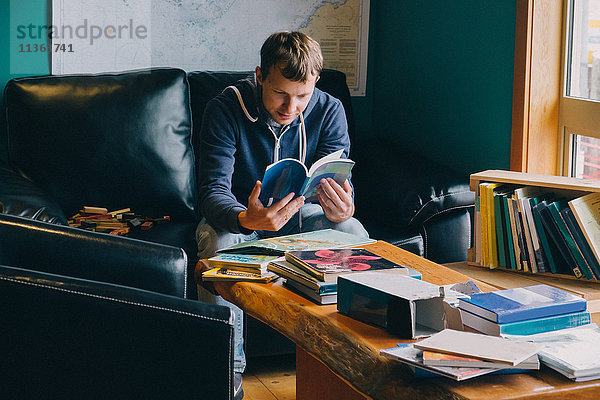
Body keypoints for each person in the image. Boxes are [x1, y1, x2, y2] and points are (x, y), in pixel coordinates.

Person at [195, 31, 369, 393]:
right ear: (260, 75)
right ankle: (226, 376)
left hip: (305, 216)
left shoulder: (329, 109)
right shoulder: (225, 108)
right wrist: (246, 218)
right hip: (242, 220)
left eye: (302, 96)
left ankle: (357, 363)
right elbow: (212, 191)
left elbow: (339, 180)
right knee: (221, 245)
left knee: (353, 232)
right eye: (280, 93)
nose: (290, 108)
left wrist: (343, 206)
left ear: (315, 84)